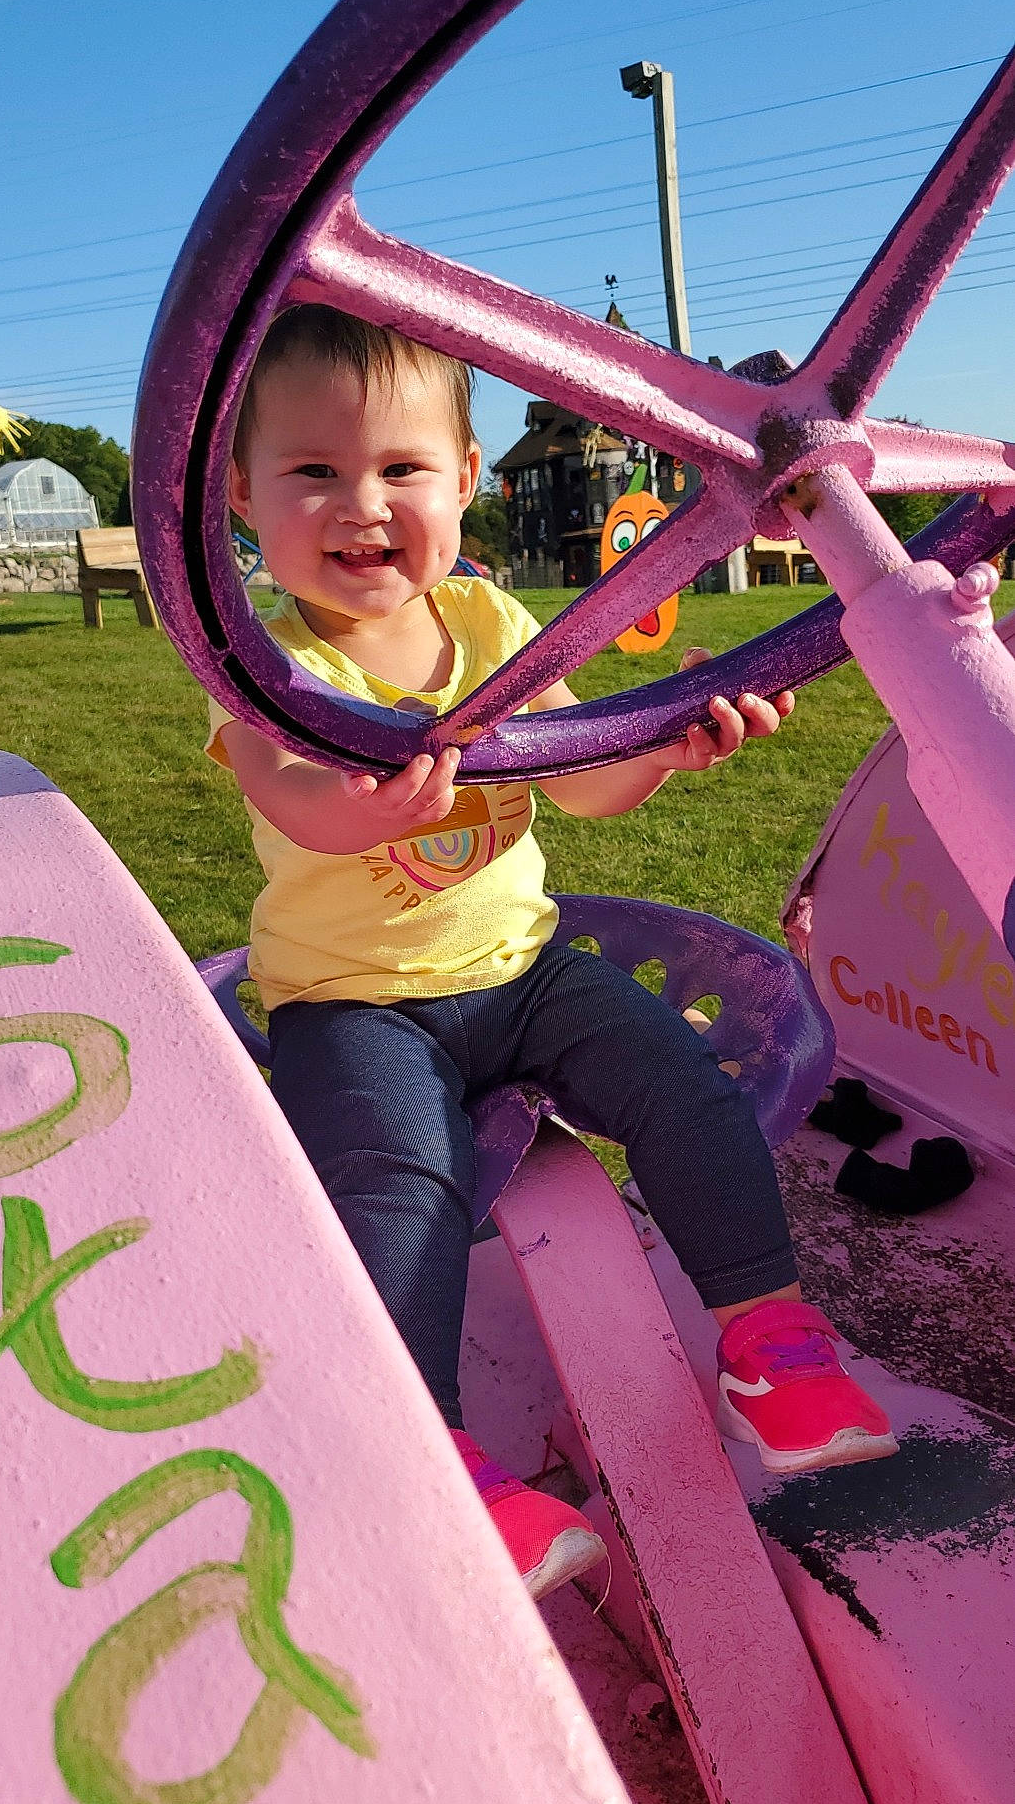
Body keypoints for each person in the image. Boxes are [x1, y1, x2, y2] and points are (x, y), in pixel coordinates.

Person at [207, 306, 896, 1603]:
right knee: (395, 1186)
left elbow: (584, 790)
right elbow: (294, 793)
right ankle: (442, 1458)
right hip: (353, 1003)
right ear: (242, 496)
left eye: (401, 469)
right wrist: (369, 801)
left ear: (464, 484)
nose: (363, 504)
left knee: (679, 1087)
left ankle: (768, 1344)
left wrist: (664, 742)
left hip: (522, 965)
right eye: (313, 471)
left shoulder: (484, 620)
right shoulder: (262, 656)